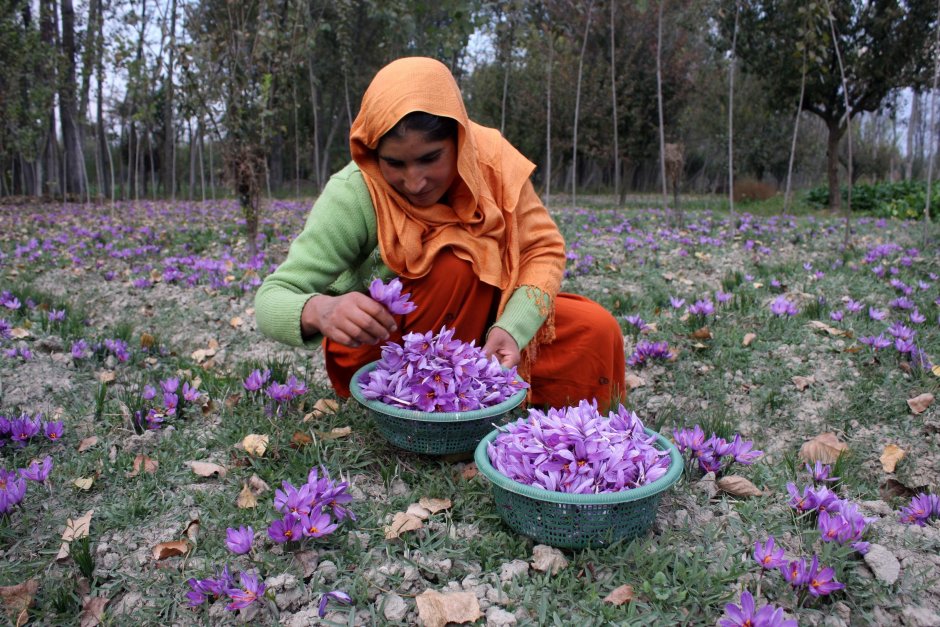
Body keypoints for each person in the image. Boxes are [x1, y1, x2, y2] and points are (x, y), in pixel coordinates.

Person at [255, 57, 626, 412]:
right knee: (455, 263)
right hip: (388, 352)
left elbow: (542, 249)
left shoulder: (491, 163)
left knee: (596, 331)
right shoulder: (355, 192)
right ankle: (442, 412)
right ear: (372, 154)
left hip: (481, 329)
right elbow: (271, 298)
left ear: (460, 141)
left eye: (431, 158)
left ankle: (485, 389)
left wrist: (511, 330)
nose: (414, 182)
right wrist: (320, 309)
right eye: (394, 163)